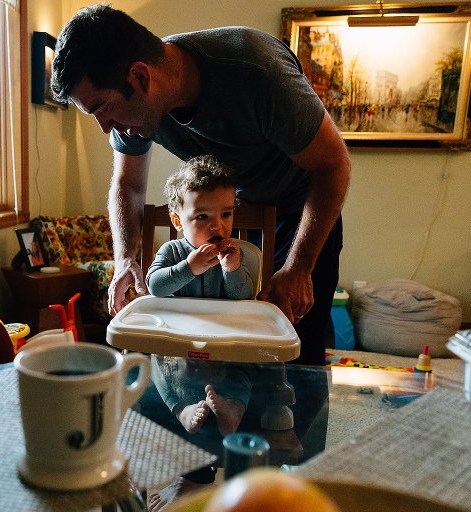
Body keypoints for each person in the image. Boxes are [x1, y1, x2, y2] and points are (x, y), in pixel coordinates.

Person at [51, 5, 351, 369]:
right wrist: (125, 257)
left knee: (294, 357)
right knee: (230, 356)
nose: (105, 128)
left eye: (104, 108)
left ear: (140, 77)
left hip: (303, 211)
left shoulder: (257, 72)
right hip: (234, 212)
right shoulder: (135, 114)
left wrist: (300, 267)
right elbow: (128, 184)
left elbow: (333, 166)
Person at [147, 155, 253, 437]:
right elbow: (155, 285)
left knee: (248, 367)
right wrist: (188, 268)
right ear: (177, 220)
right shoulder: (171, 252)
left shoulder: (234, 254)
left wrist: (232, 269)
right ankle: (180, 407)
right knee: (156, 365)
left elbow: (244, 299)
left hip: (224, 344)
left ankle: (234, 409)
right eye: (203, 217)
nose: (217, 226)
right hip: (179, 347)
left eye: (226, 214)